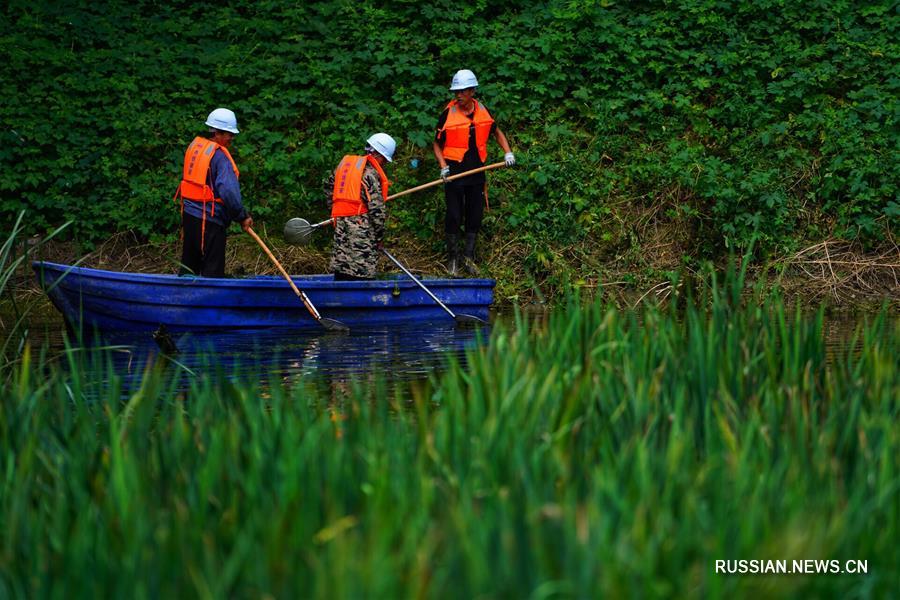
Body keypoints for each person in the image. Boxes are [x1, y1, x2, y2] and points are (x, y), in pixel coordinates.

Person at [433, 69, 515, 276]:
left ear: (472, 91)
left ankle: (468, 257)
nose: (458, 95)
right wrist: (443, 166)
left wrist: (508, 152)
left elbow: (496, 132)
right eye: (456, 92)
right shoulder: (447, 114)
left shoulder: (482, 111)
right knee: (453, 214)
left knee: (474, 214)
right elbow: (436, 144)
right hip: (454, 173)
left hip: (477, 171)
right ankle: (452, 259)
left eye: (462, 91)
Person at [174, 108, 252, 277]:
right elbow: (229, 192)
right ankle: (210, 299)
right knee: (212, 269)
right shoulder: (220, 157)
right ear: (217, 133)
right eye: (229, 134)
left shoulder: (196, 147)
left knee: (189, 265)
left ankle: (184, 297)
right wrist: (242, 216)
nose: (232, 138)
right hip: (210, 221)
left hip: (190, 216)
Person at [323, 133, 396, 280]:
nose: (384, 164)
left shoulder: (345, 167)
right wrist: (379, 236)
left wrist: (336, 210)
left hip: (340, 227)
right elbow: (377, 212)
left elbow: (328, 186)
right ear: (378, 155)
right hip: (362, 232)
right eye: (384, 160)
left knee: (342, 270)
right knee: (361, 273)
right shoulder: (370, 174)